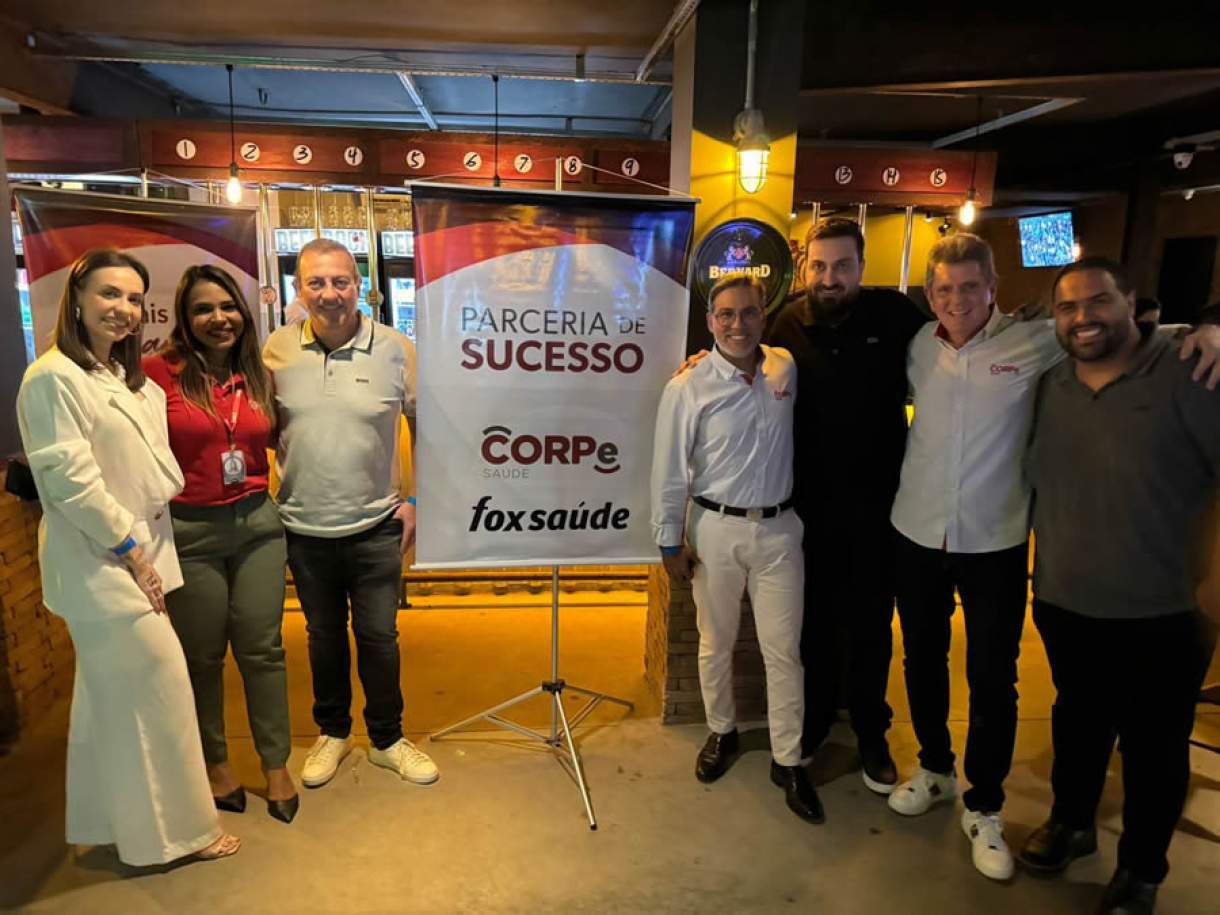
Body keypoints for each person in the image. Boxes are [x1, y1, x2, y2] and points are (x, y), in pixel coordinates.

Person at [886, 234, 1220, 882]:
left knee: (993, 677)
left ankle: (985, 802)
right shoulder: (919, 345)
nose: (957, 299)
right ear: (930, 294)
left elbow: (1141, 331)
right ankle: (934, 767)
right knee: (922, 659)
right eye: (944, 289)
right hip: (918, 531)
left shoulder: (1038, 340)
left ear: (994, 287)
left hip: (999, 540)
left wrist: (1210, 326)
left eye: (970, 286)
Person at [16, 248, 239, 864]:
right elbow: (71, 481)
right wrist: (131, 550)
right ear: (77, 299)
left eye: (135, 298)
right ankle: (179, 832)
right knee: (161, 692)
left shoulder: (118, 375)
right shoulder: (53, 377)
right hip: (105, 561)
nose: (124, 308)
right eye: (109, 294)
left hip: (138, 553)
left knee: (110, 702)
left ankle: (113, 823)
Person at [1019, 258, 1219, 914]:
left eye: (1098, 301)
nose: (1083, 318)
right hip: (1066, 600)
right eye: (1068, 306)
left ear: (1132, 303)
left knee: (1155, 749)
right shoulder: (1052, 384)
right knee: (1077, 725)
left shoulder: (1190, 371)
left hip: (1163, 609)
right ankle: (1072, 824)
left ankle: (1141, 869)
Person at [262, 238, 436, 788]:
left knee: (380, 638)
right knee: (324, 636)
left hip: (378, 525)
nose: (329, 293)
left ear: (359, 286)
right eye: (316, 282)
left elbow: (429, 427)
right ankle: (332, 733)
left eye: (340, 281)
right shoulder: (276, 350)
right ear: (298, 288)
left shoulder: (396, 349)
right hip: (303, 526)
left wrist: (416, 501)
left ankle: (387, 739)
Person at [651, 273, 822, 825]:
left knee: (784, 651)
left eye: (748, 312)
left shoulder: (783, 367)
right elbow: (669, 469)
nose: (738, 324)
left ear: (763, 315)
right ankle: (722, 732)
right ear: (710, 321)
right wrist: (668, 540)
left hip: (779, 530)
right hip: (715, 529)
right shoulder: (688, 386)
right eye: (726, 314)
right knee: (715, 642)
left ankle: (788, 760)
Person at [769, 217, 927, 793]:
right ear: (805, 268)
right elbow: (742, 365)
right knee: (813, 626)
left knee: (870, 628)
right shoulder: (787, 321)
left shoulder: (897, 316)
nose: (829, 277)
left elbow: (963, 345)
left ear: (861, 267)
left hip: (879, 510)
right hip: (807, 509)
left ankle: (870, 734)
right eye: (819, 266)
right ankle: (813, 724)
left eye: (841, 266)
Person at [143, 265, 297, 824]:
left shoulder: (258, 374)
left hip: (257, 524)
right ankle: (215, 764)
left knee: (263, 649)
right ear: (185, 318)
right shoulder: (156, 374)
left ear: (244, 313)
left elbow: (275, 439)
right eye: (203, 309)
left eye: (228, 306)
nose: (219, 318)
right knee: (202, 656)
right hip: (190, 530)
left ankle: (276, 763)